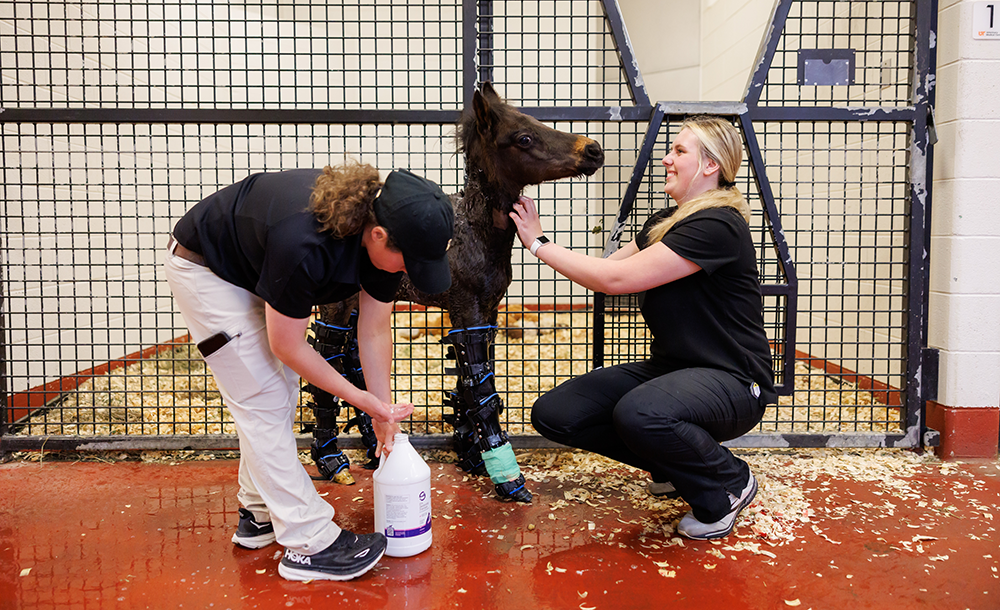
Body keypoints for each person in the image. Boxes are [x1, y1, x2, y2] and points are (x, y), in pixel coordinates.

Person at [163, 163, 454, 580]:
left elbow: (373, 330)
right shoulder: (305, 243)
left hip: (252, 268)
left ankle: (259, 513)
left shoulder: (383, 235)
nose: (410, 271)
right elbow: (288, 345)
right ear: (377, 235)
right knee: (261, 398)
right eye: (409, 261)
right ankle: (309, 542)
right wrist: (360, 399)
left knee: (277, 391)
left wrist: (382, 411)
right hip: (207, 271)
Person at [509, 116, 775, 540]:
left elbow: (614, 282)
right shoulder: (666, 221)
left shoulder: (718, 225)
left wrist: (540, 243)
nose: (667, 159)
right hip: (676, 370)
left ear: (710, 166)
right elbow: (608, 270)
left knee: (640, 413)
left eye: (680, 151)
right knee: (557, 415)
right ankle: (676, 465)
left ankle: (727, 482)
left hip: (734, 382)